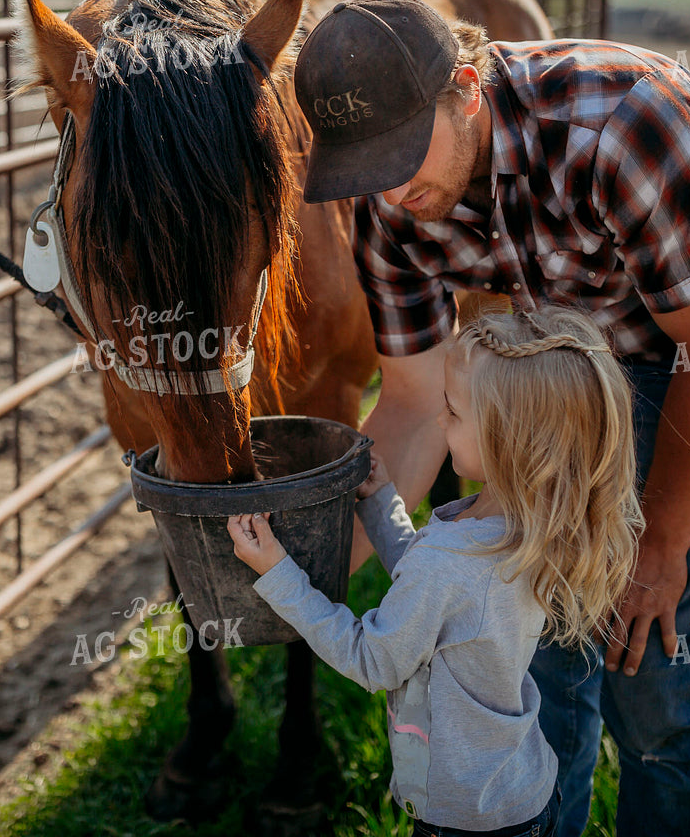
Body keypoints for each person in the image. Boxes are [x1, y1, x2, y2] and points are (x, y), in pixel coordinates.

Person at [291, 0, 690, 837]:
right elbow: (416, 402)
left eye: (399, 153)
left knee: (661, 679)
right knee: (538, 662)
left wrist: (662, 539)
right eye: (363, 166)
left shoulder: (627, 126)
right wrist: (311, 571)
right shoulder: (392, 208)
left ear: (464, 87)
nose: (388, 187)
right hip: (559, 366)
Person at [227, 307, 645, 837]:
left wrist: (276, 571)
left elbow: (372, 659)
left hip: (461, 818)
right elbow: (438, 597)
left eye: (452, 412)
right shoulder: (531, 526)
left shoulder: (451, 562)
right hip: (523, 792)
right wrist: (381, 505)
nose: (440, 421)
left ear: (504, 439)